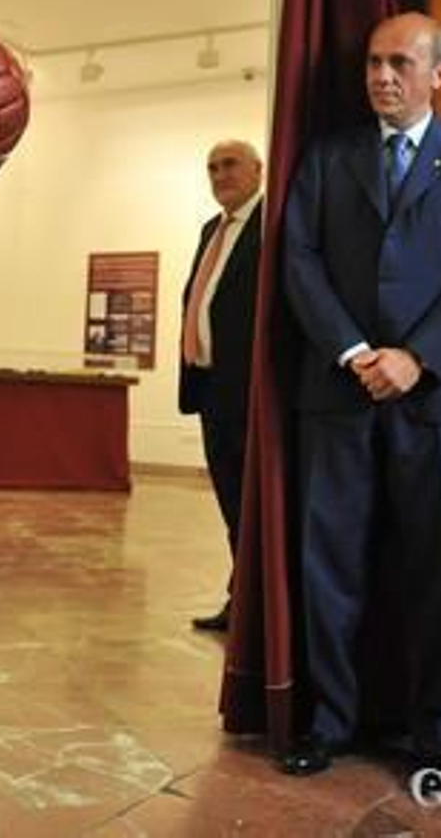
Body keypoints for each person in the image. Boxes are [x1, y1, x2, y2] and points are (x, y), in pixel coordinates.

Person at [278, 11, 441, 784]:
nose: (382, 76)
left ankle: (436, 734)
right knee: (329, 566)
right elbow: (300, 259)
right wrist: (353, 351)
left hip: (438, 397)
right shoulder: (327, 155)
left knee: (440, 573)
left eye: (400, 63)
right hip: (338, 390)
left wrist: (417, 357)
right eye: (374, 62)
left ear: (438, 74)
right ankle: (329, 722)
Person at [178, 139, 264, 633]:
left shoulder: (272, 224)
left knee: (252, 505)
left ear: (258, 169)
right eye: (212, 167)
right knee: (231, 502)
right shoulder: (212, 229)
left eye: (230, 164)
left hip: (250, 393)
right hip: (210, 388)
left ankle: (255, 607)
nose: (220, 174)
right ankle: (241, 600)